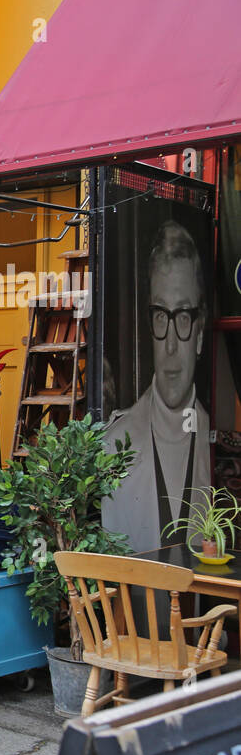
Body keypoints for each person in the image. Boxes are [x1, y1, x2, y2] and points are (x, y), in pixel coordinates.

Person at [103, 220, 212, 554]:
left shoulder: (209, 429)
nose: (169, 347)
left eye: (182, 317)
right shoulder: (114, 444)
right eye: (161, 317)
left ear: (200, 330)